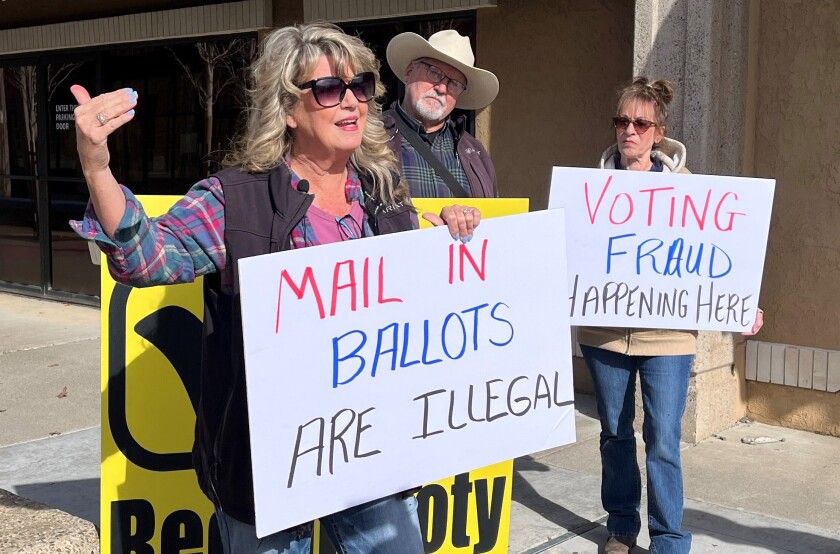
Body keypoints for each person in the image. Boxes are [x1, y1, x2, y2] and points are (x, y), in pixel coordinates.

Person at [70, 22, 481, 554]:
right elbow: (146, 258)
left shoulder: (384, 196)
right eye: (330, 90)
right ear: (287, 109)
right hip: (266, 468)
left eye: (359, 87)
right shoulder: (234, 199)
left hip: (372, 455)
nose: (351, 101)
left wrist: (450, 226)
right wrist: (96, 166)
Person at [579, 77, 764, 554]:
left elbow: (717, 259)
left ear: (659, 132)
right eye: (622, 121)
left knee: (662, 438)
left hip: (668, 337)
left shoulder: (689, 195)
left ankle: (667, 539)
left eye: (640, 123)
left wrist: (742, 303)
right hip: (604, 333)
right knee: (615, 433)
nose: (629, 131)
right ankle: (621, 527)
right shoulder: (589, 190)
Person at [382, 29, 499, 199]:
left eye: (454, 83)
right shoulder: (370, 137)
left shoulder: (475, 153)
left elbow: (494, 220)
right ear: (409, 72)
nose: (442, 88)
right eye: (435, 73)